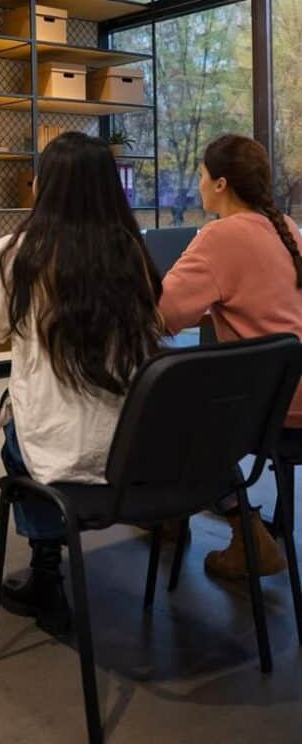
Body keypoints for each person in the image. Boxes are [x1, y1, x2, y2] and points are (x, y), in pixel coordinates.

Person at [0, 132, 164, 633]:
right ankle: (47, 568)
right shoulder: (133, 253)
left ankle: (47, 571)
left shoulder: (22, 252)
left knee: (15, 414)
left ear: (43, 186)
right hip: (135, 449)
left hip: (60, 450)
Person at [160, 133, 302, 581]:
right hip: (296, 394)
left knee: (167, 408)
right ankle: (174, 516)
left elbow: (163, 315)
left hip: (274, 412)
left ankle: (244, 528)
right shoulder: (288, 228)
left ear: (220, 183)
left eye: (201, 175)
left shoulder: (220, 237)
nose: (198, 184)